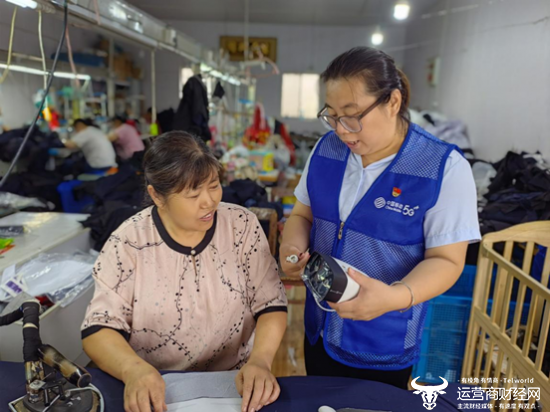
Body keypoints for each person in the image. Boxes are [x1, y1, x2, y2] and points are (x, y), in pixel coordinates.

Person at [280, 47, 481, 389]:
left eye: (352, 114)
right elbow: (302, 214)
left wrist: (395, 296)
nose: (342, 129)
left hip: (384, 342)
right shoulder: (326, 149)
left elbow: (447, 260)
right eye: (331, 115)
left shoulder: (442, 168)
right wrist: (291, 248)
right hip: (320, 330)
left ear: (393, 102)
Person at [82, 131, 288, 412]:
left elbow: (271, 303)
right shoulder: (128, 243)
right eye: (193, 193)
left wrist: (261, 361)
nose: (209, 201)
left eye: (214, 186)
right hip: (155, 386)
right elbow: (98, 328)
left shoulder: (242, 226)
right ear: (157, 195)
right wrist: (132, 370)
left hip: (232, 383)